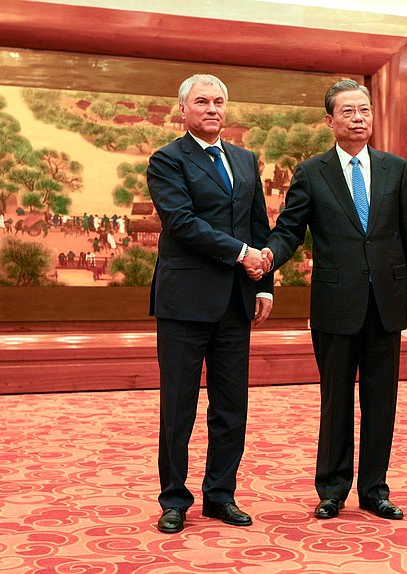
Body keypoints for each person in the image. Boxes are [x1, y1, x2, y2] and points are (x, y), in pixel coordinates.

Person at [261, 79, 407, 521]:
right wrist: (269, 257)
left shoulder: (396, 168)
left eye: (365, 110)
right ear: (329, 120)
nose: (359, 118)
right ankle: (332, 489)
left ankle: (375, 489)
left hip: (387, 301)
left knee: (381, 400)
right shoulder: (312, 172)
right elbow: (291, 229)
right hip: (336, 303)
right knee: (336, 400)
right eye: (348, 112)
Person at [147, 73, 274, 534]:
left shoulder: (245, 159)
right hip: (185, 302)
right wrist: (242, 254)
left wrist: (265, 285)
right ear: (183, 110)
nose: (212, 109)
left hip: (237, 302)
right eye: (201, 102)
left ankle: (221, 496)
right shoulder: (167, 160)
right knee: (178, 405)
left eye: (219, 101)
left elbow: (259, 224)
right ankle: (174, 500)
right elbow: (181, 222)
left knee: (230, 406)